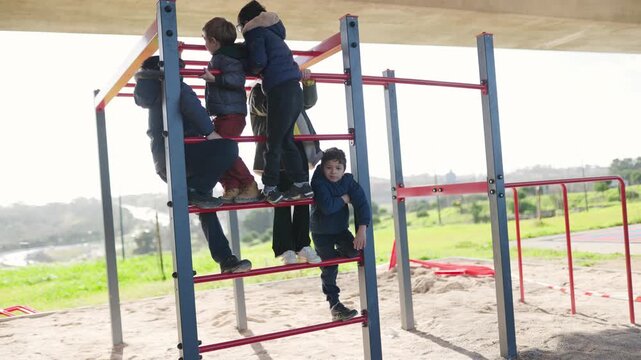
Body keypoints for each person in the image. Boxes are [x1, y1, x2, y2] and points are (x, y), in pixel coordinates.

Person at [134, 55, 252, 274]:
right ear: (168, 70)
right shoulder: (173, 85)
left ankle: (225, 260)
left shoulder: (149, 95)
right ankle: (223, 257)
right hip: (186, 156)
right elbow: (191, 106)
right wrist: (210, 132)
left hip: (165, 163)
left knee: (203, 204)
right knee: (227, 148)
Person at [237, 0, 313, 204]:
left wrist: (244, 68)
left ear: (245, 21)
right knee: (286, 140)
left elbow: (258, 62)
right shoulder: (275, 33)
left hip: (279, 90)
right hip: (294, 90)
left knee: (274, 141)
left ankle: (270, 187)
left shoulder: (254, 32)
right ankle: (301, 184)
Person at [248, 75, 321, 265]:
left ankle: (303, 245)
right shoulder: (258, 88)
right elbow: (263, 107)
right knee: (280, 202)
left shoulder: (291, 88)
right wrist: (282, 92)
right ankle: (285, 248)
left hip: (297, 150)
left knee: (302, 199)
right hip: (274, 153)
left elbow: (308, 102)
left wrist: (307, 84)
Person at [200, 17, 261, 204]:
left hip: (232, 114)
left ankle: (249, 184)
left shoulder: (227, 57)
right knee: (217, 149)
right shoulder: (223, 56)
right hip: (225, 113)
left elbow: (237, 79)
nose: (204, 44)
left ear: (213, 41)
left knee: (223, 150)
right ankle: (232, 186)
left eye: (204, 40)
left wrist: (215, 79)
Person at [310, 148, 371, 321]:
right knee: (330, 267)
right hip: (321, 232)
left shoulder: (348, 181)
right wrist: (344, 199)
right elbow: (327, 207)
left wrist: (362, 228)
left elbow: (362, 203)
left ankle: (324, 258)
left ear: (344, 169)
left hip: (340, 230)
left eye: (338, 168)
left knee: (355, 252)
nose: (333, 172)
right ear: (322, 168)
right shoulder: (318, 181)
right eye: (329, 167)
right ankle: (335, 305)